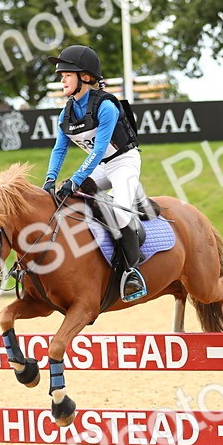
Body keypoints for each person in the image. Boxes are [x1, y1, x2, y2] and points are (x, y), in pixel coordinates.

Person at [43, 45, 147, 303]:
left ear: (85, 77)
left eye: (67, 74)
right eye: (61, 75)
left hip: (124, 162)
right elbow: (59, 149)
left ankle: (131, 272)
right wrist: (50, 180)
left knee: (121, 212)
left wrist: (76, 180)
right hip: (100, 166)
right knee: (65, 200)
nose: (62, 79)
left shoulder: (106, 106)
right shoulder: (65, 112)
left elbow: (100, 149)